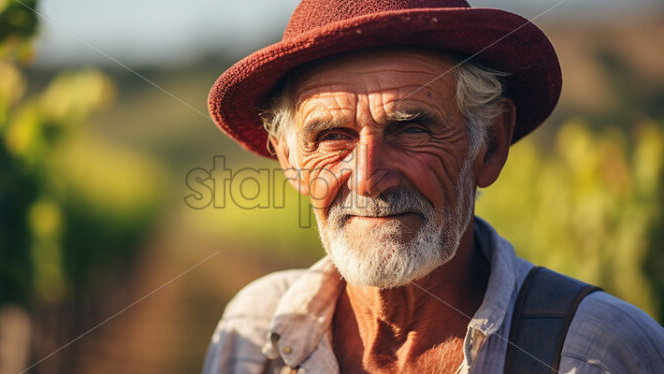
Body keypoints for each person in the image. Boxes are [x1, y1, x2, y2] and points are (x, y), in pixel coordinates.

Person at [202, 0, 664, 373]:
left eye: (411, 129)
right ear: (291, 160)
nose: (368, 178)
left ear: (491, 145)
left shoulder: (599, 351)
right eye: (332, 136)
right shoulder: (255, 331)